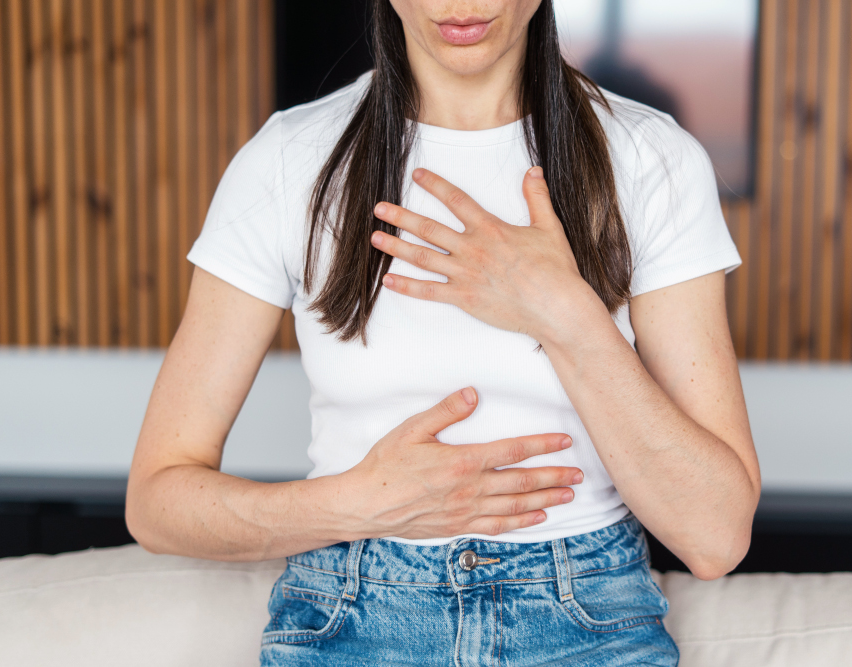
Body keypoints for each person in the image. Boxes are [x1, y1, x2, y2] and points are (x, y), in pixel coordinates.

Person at [125, 1, 761, 664]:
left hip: (587, 618)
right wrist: (353, 504)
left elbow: (714, 536)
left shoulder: (651, 159)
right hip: (347, 612)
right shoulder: (288, 160)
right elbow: (157, 502)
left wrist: (563, 313)